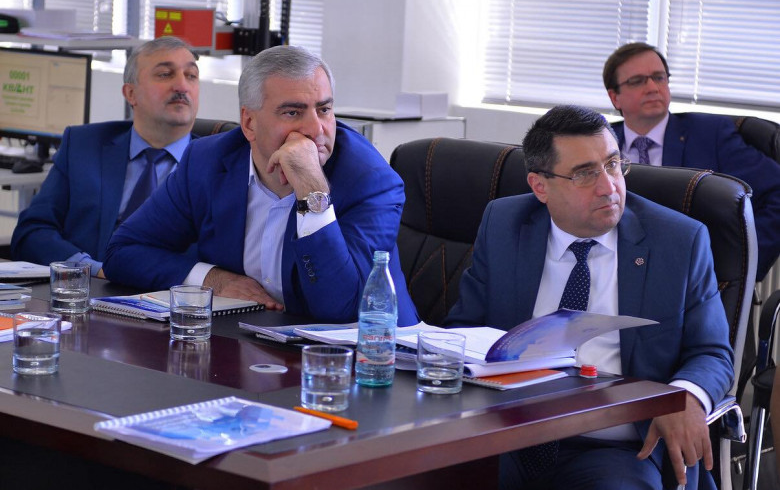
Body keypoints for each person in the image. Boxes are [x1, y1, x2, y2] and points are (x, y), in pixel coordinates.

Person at [444, 105, 733, 489]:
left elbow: (712, 352)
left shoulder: (678, 240)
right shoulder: (504, 224)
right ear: (540, 186)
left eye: (612, 165)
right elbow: (464, 329)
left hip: (615, 448)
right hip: (507, 435)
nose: (608, 187)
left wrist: (684, 398)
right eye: (584, 174)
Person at [103, 45, 417, 326]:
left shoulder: (370, 181)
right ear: (249, 123)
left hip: (369, 356)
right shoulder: (208, 162)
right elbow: (123, 253)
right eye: (292, 112)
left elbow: (340, 306)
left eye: (324, 109)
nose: (316, 129)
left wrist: (311, 190)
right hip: (245, 341)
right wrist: (213, 280)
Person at [10, 36, 200, 278]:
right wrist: (90, 269)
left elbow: (213, 260)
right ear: (131, 93)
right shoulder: (83, 145)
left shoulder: (217, 166)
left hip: (165, 294)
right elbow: (31, 232)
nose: (182, 86)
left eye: (191, 76)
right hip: (82, 289)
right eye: (165, 74)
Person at [603, 42, 780, 281]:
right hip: (610, 270)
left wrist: (744, 259)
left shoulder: (711, 135)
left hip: (689, 274)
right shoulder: (599, 142)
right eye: (637, 81)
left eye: (659, 77)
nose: (653, 88)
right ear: (615, 97)